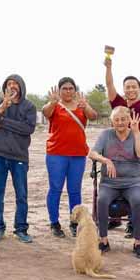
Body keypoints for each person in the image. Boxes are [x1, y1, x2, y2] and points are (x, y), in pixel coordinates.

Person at [104, 51, 140, 231]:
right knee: (113, 181)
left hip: (135, 147)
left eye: (134, 87)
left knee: (134, 185)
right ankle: (115, 216)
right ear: (124, 89)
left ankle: (133, 222)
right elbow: (109, 84)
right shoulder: (118, 103)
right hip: (115, 148)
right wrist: (109, 67)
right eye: (128, 87)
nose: (131, 89)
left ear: (139, 89)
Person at [43, 77, 98, 238]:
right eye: (64, 88)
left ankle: (75, 222)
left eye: (70, 88)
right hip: (56, 154)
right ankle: (54, 223)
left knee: (75, 190)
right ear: (59, 91)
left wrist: (86, 105)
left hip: (78, 155)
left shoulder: (81, 106)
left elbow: (93, 116)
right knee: (55, 189)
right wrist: (52, 102)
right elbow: (46, 112)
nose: (68, 91)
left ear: (75, 90)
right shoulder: (55, 106)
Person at [90, 107, 140, 258]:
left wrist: (135, 133)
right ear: (112, 121)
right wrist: (106, 160)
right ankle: (103, 240)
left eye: (123, 119)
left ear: (129, 120)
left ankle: (138, 242)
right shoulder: (106, 135)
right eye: (116, 120)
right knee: (101, 200)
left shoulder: (136, 134)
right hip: (109, 182)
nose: (120, 122)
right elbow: (92, 153)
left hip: (132, 182)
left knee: (136, 200)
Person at [0, 74, 37, 244]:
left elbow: (28, 128)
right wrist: (1, 109)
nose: (13, 86)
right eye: (9, 84)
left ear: (21, 86)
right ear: (5, 87)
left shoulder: (29, 106)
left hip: (19, 156)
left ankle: (21, 229)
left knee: (21, 195)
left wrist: (4, 122)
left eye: (16, 83)